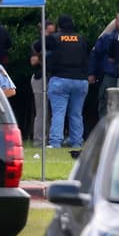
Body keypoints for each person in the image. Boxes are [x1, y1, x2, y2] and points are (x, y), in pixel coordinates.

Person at [38, 15, 89, 148]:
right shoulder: (81, 38)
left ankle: (55, 143)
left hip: (60, 79)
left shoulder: (55, 38)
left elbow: (38, 45)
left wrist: (46, 34)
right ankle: (76, 142)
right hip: (80, 80)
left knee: (59, 113)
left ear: (59, 26)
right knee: (76, 114)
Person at [88, 10, 119, 118]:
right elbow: (95, 54)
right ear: (115, 22)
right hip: (110, 74)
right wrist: (91, 73)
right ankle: (104, 126)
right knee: (104, 100)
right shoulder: (107, 37)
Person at [28, 21, 55, 145]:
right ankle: (39, 140)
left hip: (53, 77)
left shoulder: (55, 43)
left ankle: (49, 138)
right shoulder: (37, 44)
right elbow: (33, 62)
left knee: (51, 111)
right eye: (49, 32)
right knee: (41, 111)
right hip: (41, 78)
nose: (51, 35)